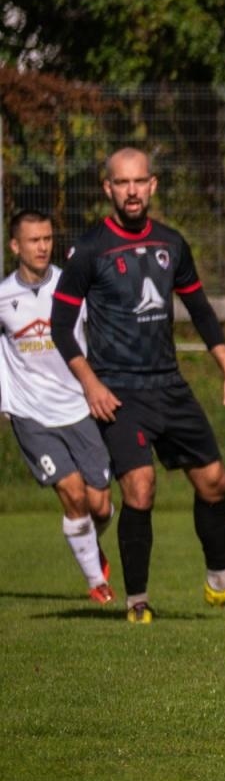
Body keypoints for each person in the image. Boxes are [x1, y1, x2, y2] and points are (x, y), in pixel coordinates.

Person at [51, 149, 225, 624]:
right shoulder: (89, 249)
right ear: (107, 188)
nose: (131, 191)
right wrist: (90, 384)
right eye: (121, 183)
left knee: (215, 480)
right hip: (117, 390)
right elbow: (60, 324)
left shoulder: (172, 243)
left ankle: (221, 583)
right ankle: (137, 602)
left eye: (140, 182)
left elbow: (200, 311)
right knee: (140, 486)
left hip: (169, 386)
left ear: (153, 185)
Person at [0, 211, 115, 603]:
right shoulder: (3, 297)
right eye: (34, 240)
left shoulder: (72, 287)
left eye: (48, 238)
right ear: (15, 246)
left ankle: (88, 543)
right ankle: (95, 582)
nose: (43, 246)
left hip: (79, 408)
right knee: (73, 493)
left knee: (100, 505)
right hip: (31, 413)